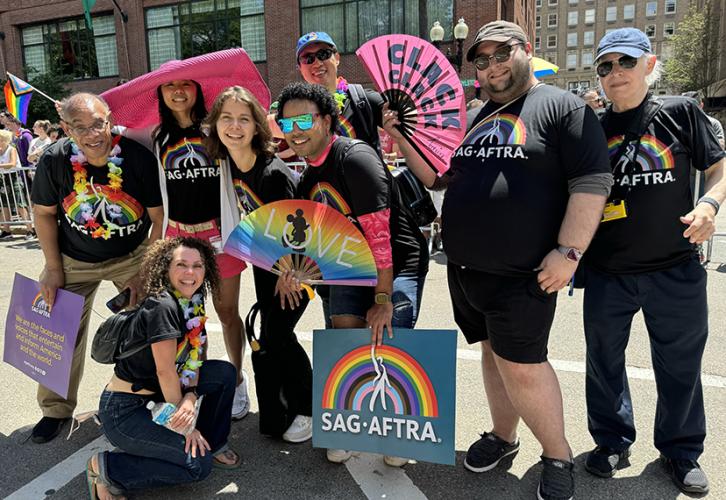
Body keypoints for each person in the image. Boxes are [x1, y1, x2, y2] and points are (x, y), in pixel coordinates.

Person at [398, 21, 613, 500]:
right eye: (482, 59)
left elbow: (592, 183)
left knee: (524, 365)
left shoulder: (562, 107)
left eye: (501, 54)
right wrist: (400, 136)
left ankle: (557, 454)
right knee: (492, 355)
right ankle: (503, 435)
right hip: (467, 269)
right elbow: (440, 178)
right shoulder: (475, 115)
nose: (492, 65)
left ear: (526, 51)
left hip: (527, 272)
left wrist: (570, 252)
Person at [582, 28, 726, 495]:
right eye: (605, 66)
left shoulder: (680, 112)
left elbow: (719, 166)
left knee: (680, 365)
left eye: (625, 62)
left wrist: (710, 204)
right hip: (608, 273)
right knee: (603, 362)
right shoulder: (591, 128)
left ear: (649, 64)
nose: (615, 73)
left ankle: (681, 451)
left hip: (675, 268)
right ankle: (610, 440)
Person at [277, 82, 429, 466]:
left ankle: (399, 430)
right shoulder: (306, 179)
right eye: (287, 121)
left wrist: (381, 299)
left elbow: (380, 240)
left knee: (391, 342)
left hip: (397, 260)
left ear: (327, 121)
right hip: (348, 265)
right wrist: (295, 270)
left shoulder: (354, 158)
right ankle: (349, 423)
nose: (295, 129)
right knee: (345, 338)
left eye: (304, 119)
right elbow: (317, 240)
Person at [29, 93, 163, 443]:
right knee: (58, 330)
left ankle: (149, 395)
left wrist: (145, 269)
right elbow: (43, 214)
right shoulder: (54, 160)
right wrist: (53, 268)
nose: (93, 134)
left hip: (132, 255)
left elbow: (158, 218)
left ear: (110, 119)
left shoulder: (136, 158)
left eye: (99, 124)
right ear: (66, 129)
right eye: (81, 127)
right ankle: (55, 409)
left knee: (153, 322)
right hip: (74, 259)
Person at [88, 237, 240, 499]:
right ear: (166, 269)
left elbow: (197, 348)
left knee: (225, 374)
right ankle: (109, 469)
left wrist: (191, 393)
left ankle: (211, 444)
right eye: (181, 265)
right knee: (197, 467)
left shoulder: (193, 296)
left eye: (198, 265)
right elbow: (165, 371)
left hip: (158, 390)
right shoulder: (162, 306)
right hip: (124, 410)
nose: (190, 272)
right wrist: (187, 427)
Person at [202, 85, 313, 442]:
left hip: (296, 268)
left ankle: (308, 409)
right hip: (268, 268)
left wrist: (289, 272)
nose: (235, 126)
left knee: (279, 336)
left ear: (257, 127)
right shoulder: (231, 166)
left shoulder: (272, 173)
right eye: (227, 118)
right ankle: (281, 406)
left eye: (244, 119)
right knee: (272, 336)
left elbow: (298, 233)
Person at [0, 129, 23, 238]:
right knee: (5, 204)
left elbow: (13, 163)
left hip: (13, 177)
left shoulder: (11, 149)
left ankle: (30, 229)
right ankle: (6, 230)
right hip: (3, 178)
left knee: (19, 203)